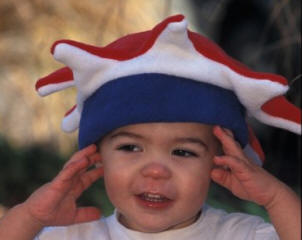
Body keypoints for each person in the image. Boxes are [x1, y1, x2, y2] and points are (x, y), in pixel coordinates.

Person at [0, 14, 300, 240]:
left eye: (182, 152)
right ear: (97, 156)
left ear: (220, 161)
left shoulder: (237, 234)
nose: (155, 170)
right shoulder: (77, 236)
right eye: (131, 147)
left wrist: (275, 197)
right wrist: (31, 216)